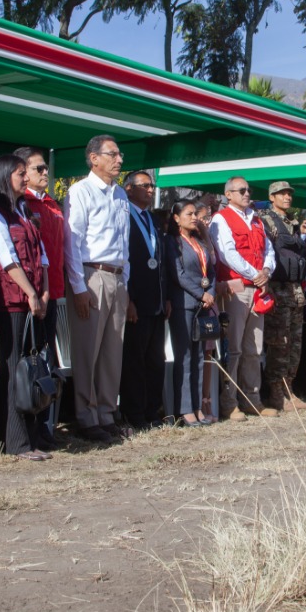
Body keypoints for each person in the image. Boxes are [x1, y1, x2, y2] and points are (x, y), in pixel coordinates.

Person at [0, 152, 53, 459]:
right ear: (4, 175)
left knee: (32, 367)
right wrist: (30, 292)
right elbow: (6, 257)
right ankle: (16, 442)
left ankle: (34, 436)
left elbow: (42, 255)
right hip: (10, 300)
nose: (26, 178)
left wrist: (44, 292)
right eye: (20, 174)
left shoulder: (22, 208)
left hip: (33, 299)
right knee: (13, 369)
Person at [63, 135, 132, 443]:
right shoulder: (80, 191)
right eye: (112, 154)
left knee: (112, 352)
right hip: (92, 274)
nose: (119, 159)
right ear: (94, 158)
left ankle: (106, 412)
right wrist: (78, 287)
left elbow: (124, 243)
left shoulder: (120, 194)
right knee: (87, 350)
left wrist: (125, 281)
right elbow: (72, 242)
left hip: (117, 277)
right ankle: (86, 416)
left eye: (119, 154)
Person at [210, 176, 279, 420]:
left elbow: (268, 250)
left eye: (249, 190)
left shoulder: (256, 219)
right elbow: (227, 254)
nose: (247, 193)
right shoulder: (221, 218)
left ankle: (252, 399)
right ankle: (229, 403)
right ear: (228, 194)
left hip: (257, 288)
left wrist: (266, 271)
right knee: (234, 347)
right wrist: (255, 274)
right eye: (242, 190)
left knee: (254, 348)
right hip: (236, 289)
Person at [120, 170, 170, 430]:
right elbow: (123, 260)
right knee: (134, 360)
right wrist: (128, 298)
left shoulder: (152, 218)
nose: (151, 190)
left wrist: (166, 296)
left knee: (155, 360)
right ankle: (134, 413)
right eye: (145, 185)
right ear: (129, 188)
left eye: (152, 185)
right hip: (136, 301)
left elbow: (161, 260)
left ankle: (153, 411)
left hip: (157, 301)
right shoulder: (123, 216)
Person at [259, 181, 306, 412]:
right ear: (272, 197)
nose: (287, 197)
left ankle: (289, 389)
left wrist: (303, 234)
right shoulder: (265, 219)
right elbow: (271, 248)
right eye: (282, 194)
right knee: (279, 342)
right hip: (278, 288)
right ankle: (276, 393)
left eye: (289, 193)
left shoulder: (293, 221)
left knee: (295, 343)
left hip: (295, 289)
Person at [165, 199, 217, 426]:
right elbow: (178, 274)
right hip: (184, 304)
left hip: (203, 305)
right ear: (176, 218)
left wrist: (210, 292)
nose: (194, 217)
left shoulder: (199, 241)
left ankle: (197, 407)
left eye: (196, 213)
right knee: (185, 356)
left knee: (199, 357)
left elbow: (210, 271)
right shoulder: (172, 242)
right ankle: (185, 409)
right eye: (189, 214)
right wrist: (201, 294)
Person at [18, 147, 66, 357]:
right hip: (30, 291)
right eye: (39, 168)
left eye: (46, 168)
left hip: (52, 288)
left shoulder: (52, 203)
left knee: (48, 354)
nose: (45, 172)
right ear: (23, 172)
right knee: (30, 355)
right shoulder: (20, 203)